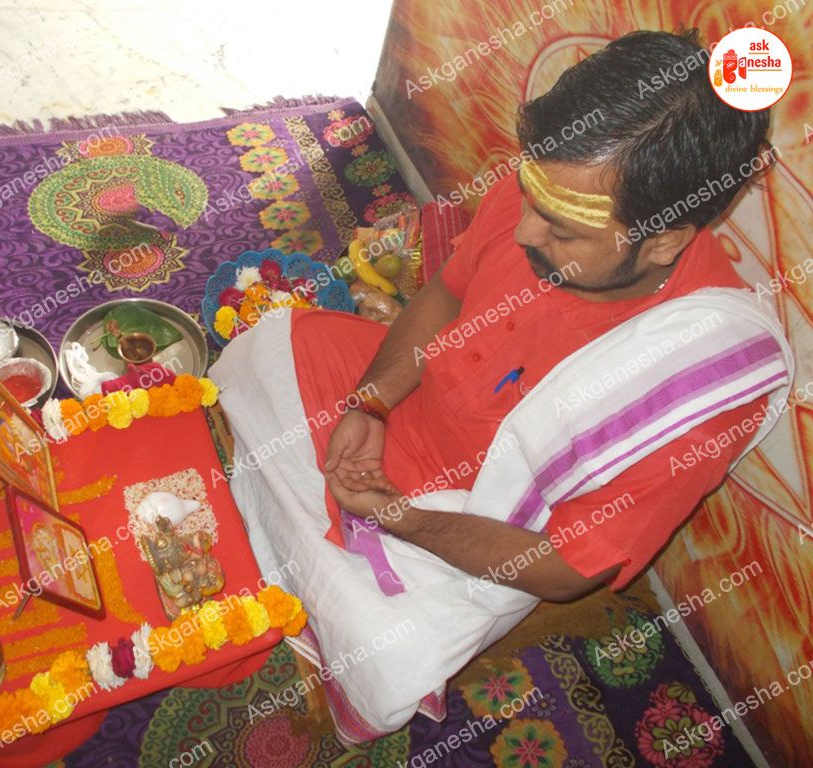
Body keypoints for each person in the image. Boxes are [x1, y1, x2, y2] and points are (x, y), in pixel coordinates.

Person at [209, 28, 793, 741]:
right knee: (264, 348)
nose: (523, 233)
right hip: (414, 411)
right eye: (528, 199)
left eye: (561, 233)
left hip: (477, 515)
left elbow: (565, 570)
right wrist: (373, 402)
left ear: (666, 239)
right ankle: (313, 541)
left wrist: (400, 517)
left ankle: (321, 546)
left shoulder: (696, 375)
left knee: (387, 660)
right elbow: (446, 293)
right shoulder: (552, 197)